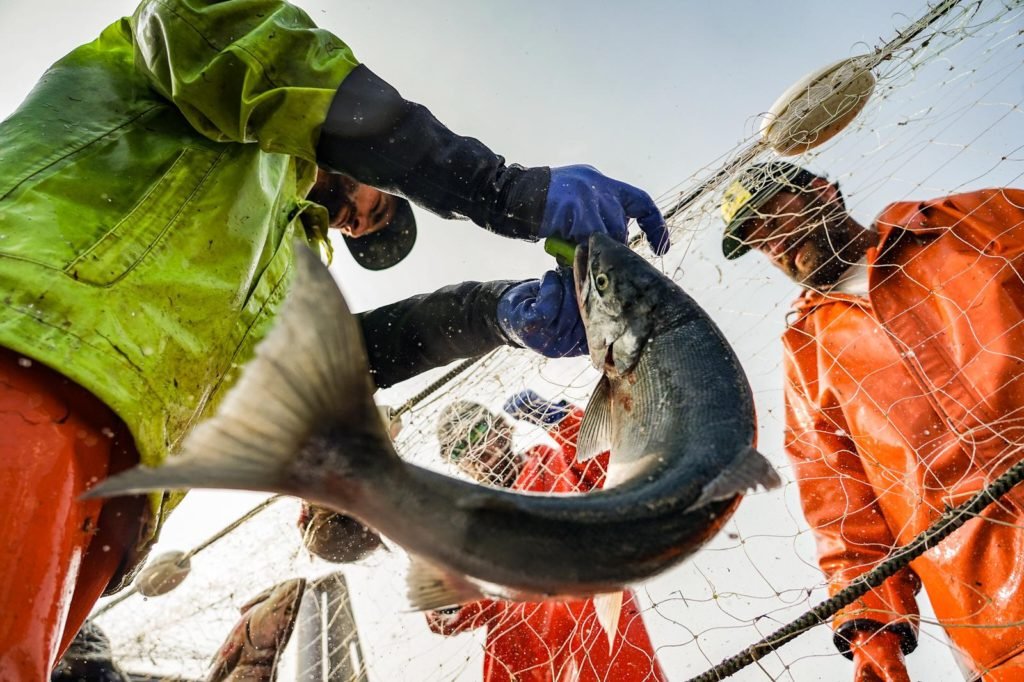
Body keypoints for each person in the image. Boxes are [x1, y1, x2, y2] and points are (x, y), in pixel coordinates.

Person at [0, 1, 671, 677]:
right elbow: (279, 67)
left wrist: (497, 312)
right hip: (29, 358)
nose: (352, 222)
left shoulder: (281, 264)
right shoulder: (207, 51)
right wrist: (507, 190)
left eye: (359, 229)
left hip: (110, 506)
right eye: (369, 203)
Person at [719, 160, 1024, 681]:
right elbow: (844, 519)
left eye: (771, 217)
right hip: (996, 630)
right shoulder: (807, 352)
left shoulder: (968, 222)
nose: (770, 244)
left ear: (823, 192)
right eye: (755, 240)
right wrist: (872, 641)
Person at [424, 393, 667, 682]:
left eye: (478, 431)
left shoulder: (559, 466)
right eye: (457, 449)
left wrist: (562, 420)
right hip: (525, 666)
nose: (475, 450)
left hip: (601, 646)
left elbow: (614, 472)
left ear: (503, 427)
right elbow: (454, 617)